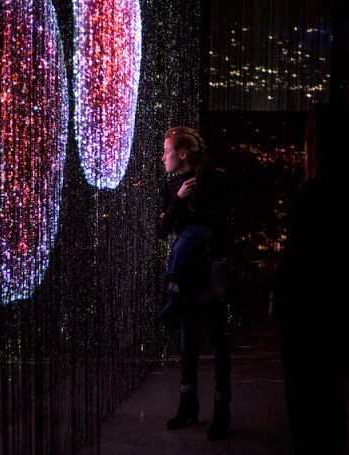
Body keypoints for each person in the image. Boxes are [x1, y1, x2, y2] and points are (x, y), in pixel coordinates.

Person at [272, 103, 349, 454]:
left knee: (314, 400)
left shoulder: (314, 193)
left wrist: (280, 299)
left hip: (312, 311)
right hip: (346, 308)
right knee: (338, 395)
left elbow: (294, 259)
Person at [156, 126, 232, 441]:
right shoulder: (170, 187)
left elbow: (220, 227)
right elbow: (161, 231)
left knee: (215, 339)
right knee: (188, 341)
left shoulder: (209, 183)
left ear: (183, 153)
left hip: (205, 272)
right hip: (185, 274)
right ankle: (189, 405)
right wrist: (177, 199)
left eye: (167, 151)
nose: (163, 157)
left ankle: (221, 410)